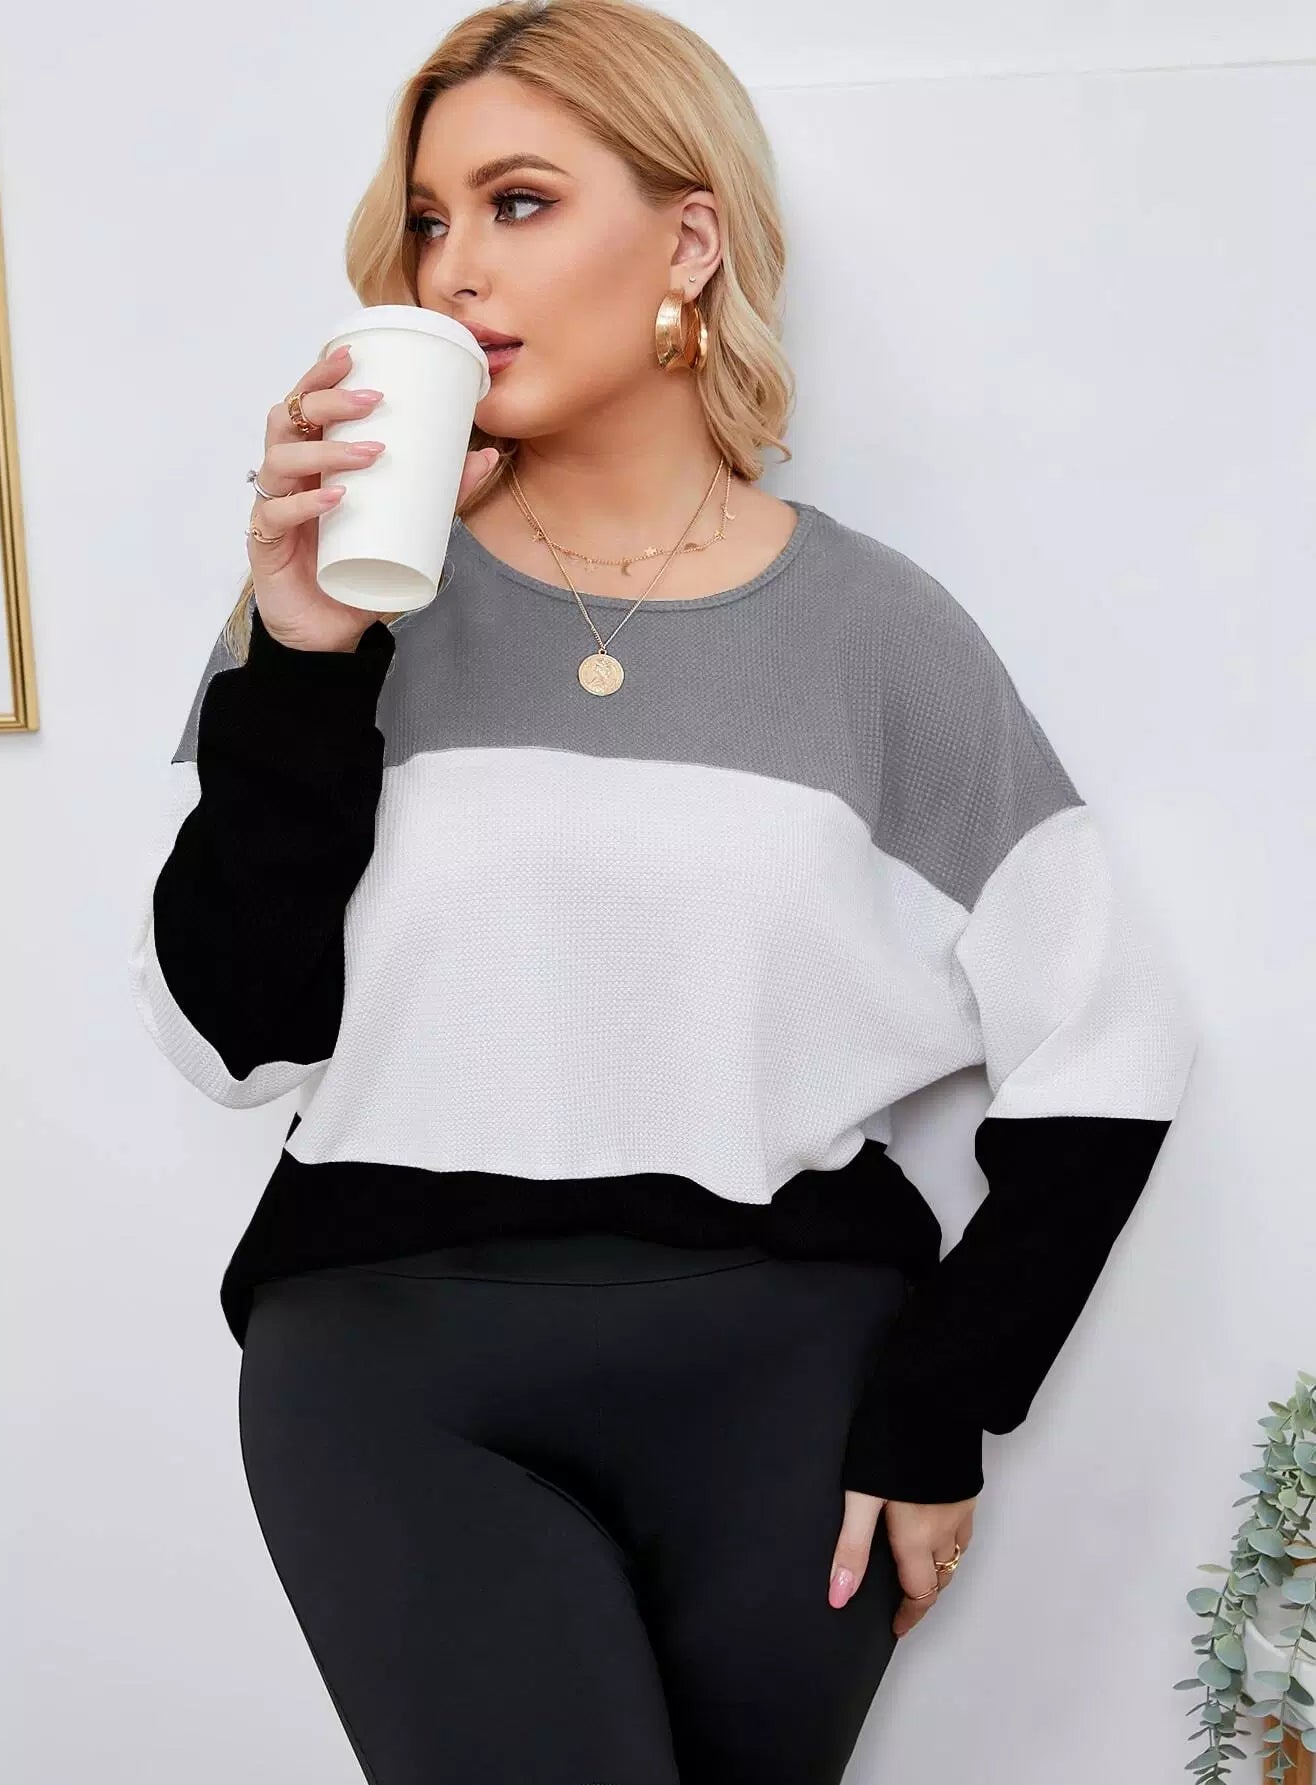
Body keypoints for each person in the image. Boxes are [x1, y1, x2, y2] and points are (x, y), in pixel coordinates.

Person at [126, 2, 1199, 1779]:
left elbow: (1111, 1044)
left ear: (688, 241)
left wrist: (945, 1397)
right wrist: (306, 658)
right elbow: (230, 1038)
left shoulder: (878, 631)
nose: (455, 268)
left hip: (791, 1397)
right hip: (391, 1370)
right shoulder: (333, 615)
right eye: (430, 220)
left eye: (519, 201)